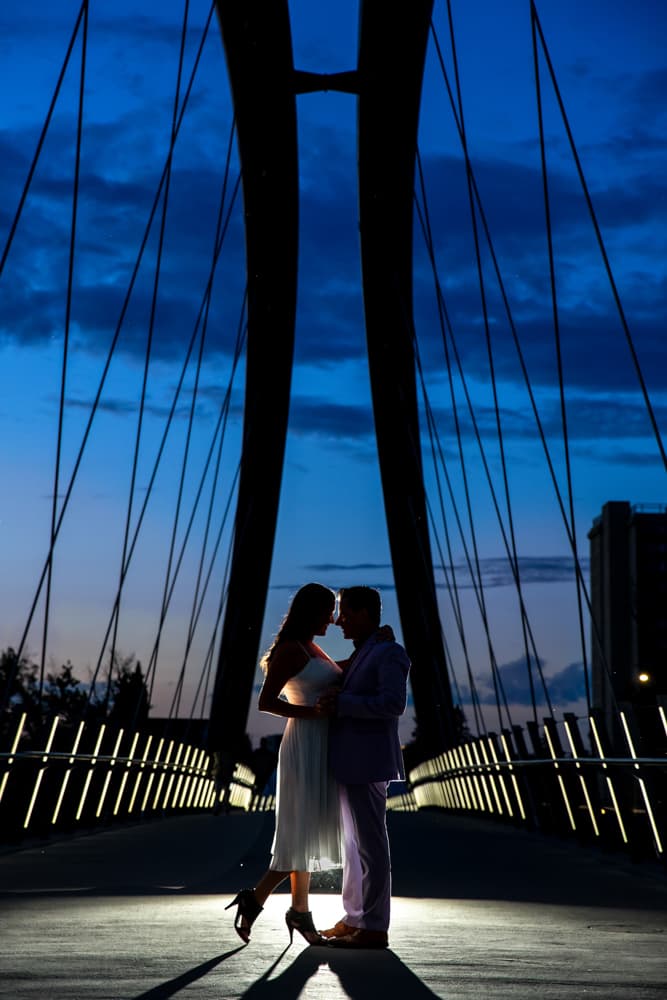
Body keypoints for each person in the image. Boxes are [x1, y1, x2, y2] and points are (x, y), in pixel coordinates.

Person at [225, 582, 343, 946]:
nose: (333, 618)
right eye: (328, 611)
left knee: (305, 831)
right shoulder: (292, 650)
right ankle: (275, 904)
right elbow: (265, 701)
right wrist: (311, 713)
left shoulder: (311, 647)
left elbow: (340, 672)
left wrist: (377, 644)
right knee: (300, 831)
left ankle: (291, 908)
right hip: (304, 744)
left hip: (320, 744)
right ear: (312, 612)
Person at [315, 586, 410, 950]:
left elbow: (392, 703)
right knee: (354, 847)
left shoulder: (390, 653)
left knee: (371, 846)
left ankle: (374, 926)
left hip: (368, 761)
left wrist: (343, 703)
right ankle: (355, 917)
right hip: (352, 761)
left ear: (366, 614)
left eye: (347, 613)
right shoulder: (367, 652)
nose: (339, 621)